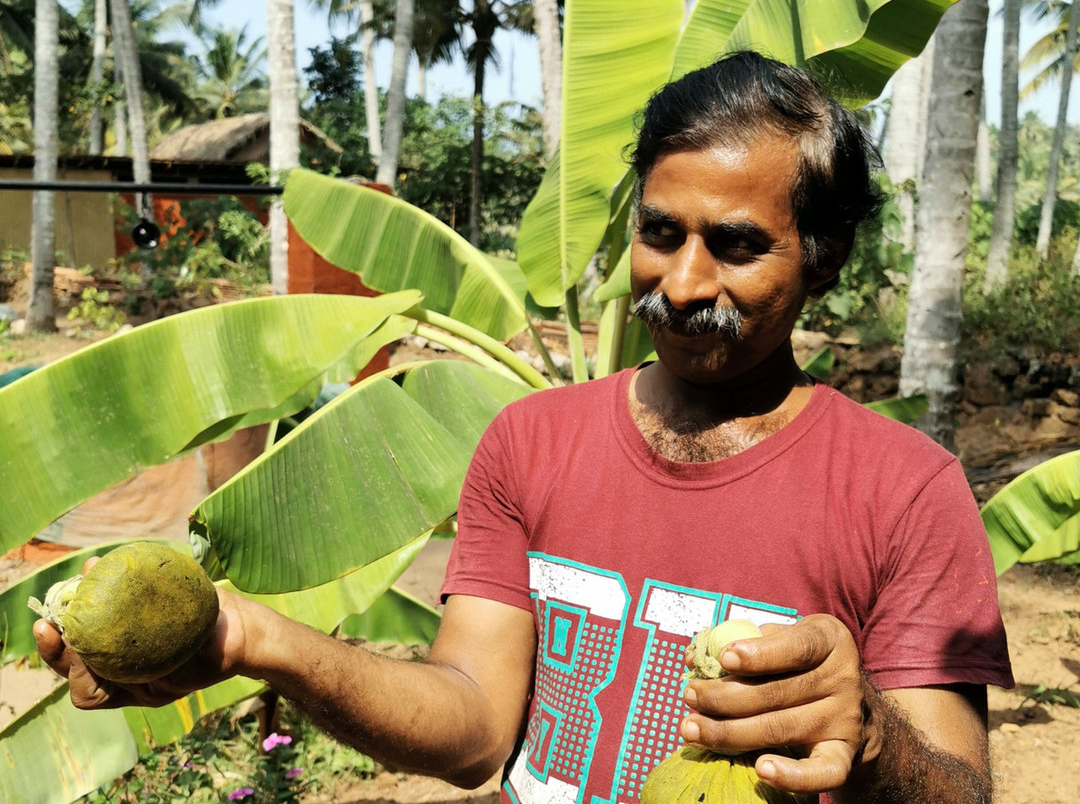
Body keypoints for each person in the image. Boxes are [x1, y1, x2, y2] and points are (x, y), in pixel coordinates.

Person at [35, 51, 1013, 804]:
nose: (682, 283)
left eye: (737, 245)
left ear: (825, 257)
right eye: (660, 232)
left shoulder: (904, 490)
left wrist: (872, 738)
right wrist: (253, 638)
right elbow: (471, 727)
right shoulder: (531, 440)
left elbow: (959, 788)